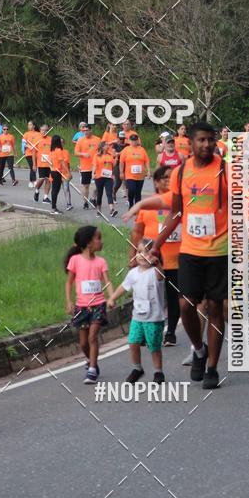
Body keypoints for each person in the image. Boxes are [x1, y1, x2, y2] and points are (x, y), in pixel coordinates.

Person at [151, 122, 228, 390]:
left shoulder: (226, 169)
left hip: (220, 250)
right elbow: (176, 212)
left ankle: (212, 368)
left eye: (210, 140)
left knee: (216, 307)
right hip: (190, 250)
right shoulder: (181, 172)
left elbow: (243, 207)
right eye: (201, 140)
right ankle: (198, 349)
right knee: (186, 305)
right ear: (191, 143)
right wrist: (156, 243)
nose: (206, 145)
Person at [129, 165, 181, 346]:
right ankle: (146, 331)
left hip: (176, 259)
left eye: (171, 177)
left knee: (174, 297)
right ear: (157, 182)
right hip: (151, 259)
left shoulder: (180, 202)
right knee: (151, 296)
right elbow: (137, 232)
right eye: (165, 177)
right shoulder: (148, 205)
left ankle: (171, 332)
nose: (169, 180)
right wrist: (133, 255)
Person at [108, 239, 166, 384]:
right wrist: (113, 298)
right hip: (137, 317)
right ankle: (137, 368)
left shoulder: (155, 272)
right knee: (132, 342)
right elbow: (124, 286)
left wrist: (156, 263)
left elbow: (161, 274)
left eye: (147, 252)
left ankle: (158, 372)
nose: (142, 255)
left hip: (154, 318)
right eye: (139, 252)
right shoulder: (133, 273)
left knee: (154, 346)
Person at [65, 225, 113, 384]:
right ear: (88, 242)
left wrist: (111, 297)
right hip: (81, 307)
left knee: (93, 337)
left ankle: (92, 369)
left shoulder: (101, 262)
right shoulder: (75, 260)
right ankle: (92, 361)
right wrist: (69, 301)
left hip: (98, 305)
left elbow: (107, 282)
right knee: (83, 342)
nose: (102, 242)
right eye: (98, 238)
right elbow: (69, 283)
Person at [119, 132, 150, 208]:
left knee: (138, 192)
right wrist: (121, 172)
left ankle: (137, 208)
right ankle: (130, 203)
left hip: (140, 175)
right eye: (132, 140)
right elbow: (121, 162)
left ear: (138, 141)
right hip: (130, 175)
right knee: (132, 190)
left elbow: (146, 161)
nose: (134, 142)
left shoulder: (142, 149)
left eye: (135, 140)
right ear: (129, 141)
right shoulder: (126, 150)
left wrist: (148, 171)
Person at [74, 124, 101, 209]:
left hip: (96, 166)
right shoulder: (80, 140)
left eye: (86, 130)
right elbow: (75, 153)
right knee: (86, 186)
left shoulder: (97, 139)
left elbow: (102, 150)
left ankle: (93, 198)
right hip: (85, 166)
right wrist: (83, 154)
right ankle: (85, 202)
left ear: (90, 130)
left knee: (98, 185)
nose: (85, 132)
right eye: (84, 131)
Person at [92, 140, 118, 218]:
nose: (108, 146)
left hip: (108, 177)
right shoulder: (97, 156)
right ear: (102, 147)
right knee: (99, 194)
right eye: (106, 145)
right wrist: (93, 173)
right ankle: (99, 210)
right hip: (99, 177)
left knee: (109, 193)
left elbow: (113, 165)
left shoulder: (110, 155)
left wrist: (116, 158)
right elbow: (94, 165)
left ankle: (112, 210)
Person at [50, 134, 71, 214]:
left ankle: (53, 207)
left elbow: (51, 163)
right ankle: (53, 208)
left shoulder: (52, 151)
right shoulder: (58, 150)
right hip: (57, 172)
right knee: (56, 189)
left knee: (54, 189)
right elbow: (62, 162)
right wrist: (68, 173)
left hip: (53, 171)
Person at [33, 125, 52, 203]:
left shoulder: (51, 139)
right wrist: (34, 164)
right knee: (42, 178)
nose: (44, 132)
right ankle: (37, 190)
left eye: (46, 130)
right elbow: (33, 153)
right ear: (40, 131)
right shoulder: (37, 140)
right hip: (41, 163)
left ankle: (45, 197)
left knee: (48, 180)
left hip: (49, 163)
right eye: (42, 130)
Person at [22, 121, 40, 187]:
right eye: (28, 125)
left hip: (36, 153)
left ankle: (30, 181)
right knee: (32, 166)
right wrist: (27, 146)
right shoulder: (26, 134)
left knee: (33, 167)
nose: (29, 126)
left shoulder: (39, 134)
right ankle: (35, 181)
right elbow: (23, 143)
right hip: (28, 153)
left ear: (34, 126)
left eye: (30, 125)